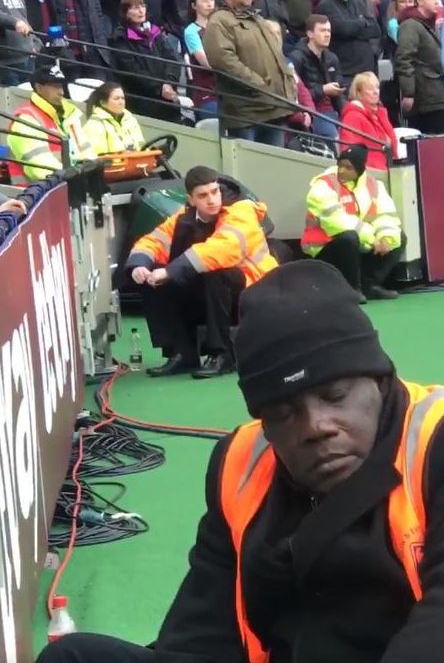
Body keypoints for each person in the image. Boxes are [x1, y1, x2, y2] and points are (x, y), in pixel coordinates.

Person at [37, 257, 444, 663]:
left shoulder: (433, 439)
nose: (316, 426)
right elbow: (203, 630)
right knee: (73, 657)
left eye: (335, 396)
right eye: (284, 413)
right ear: (263, 421)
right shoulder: (240, 462)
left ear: (380, 379)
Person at [126, 165, 278, 378]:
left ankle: (222, 355)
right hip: (215, 293)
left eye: (215, 192)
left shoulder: (241, 211)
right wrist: (140, 265)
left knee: (213, 274)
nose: (212, 200)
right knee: (154, 278)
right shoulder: (183, 217)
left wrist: (171, 271)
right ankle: (181, 354)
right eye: (203, 195)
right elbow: (154, 241)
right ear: (191, 200)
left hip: (256, 287)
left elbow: (222, 249)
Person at [301, 143, 405, 300]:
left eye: (348, 167)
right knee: (349, 237)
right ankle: (351, 289)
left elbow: (386, 215)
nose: (342, 170)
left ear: (360, 170)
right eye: (340, 165)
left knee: (398, 237)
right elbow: (337, 222)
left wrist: (385, 237)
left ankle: (369, 285)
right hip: (324, 249)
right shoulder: (323, 185)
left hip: (360, 245)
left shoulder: (375, 186)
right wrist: (372, 239)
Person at [203, 0, 295, 146]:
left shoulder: (258, 19)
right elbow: (223, 60)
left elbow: (277, 55)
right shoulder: (219, 20)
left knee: (274, 166)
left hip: (273, 107)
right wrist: (257, 83)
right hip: (245, 111)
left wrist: (288, 84)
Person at [7, 64, 95, 185]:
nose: (61, 92)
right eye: (55, 86)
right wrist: (77, 176)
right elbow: (40, 169)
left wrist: (90, 174)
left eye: (61, 86)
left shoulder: (70, 115)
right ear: (39, 88)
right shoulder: (26, 119)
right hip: (37, 196)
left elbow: (88, 154)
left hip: (70, 187)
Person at [110, 0, 182, 123]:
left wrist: (169, 82)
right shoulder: (120, 39)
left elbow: (173, 58)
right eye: (135, 7)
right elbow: (132, 70)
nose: (141, 10)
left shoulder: (155, 33)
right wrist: (160, 88)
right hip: (142, 101)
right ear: (125, 13)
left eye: (142, 6)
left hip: (167, 98)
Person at [316, 0, 381, 86]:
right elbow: (343, 29)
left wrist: (355, 27)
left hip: (367, 68)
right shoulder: (326, 5)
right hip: (347, 71)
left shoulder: (355, 0)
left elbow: (375, 29)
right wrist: (362, 23)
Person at [44, 0, 110, 79]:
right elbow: (49, 18)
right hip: (66, 53)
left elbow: (98, 13)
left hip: (93, 51)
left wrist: (101, 41)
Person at [395, 0, 444, 133]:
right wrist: (409, 93)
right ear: (419, 1)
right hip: (426, 96)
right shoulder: (410, 25)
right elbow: (404, 59)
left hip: (437, 94)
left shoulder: (430, 24)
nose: (437, 2)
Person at [290, 13, 346, 141]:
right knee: (335, 139)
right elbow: (295, 93)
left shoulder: (332, 58)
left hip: (333, 112)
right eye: (322, 30)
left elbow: (340, 94)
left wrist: (347, 113)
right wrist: (323, 90)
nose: (327, 34)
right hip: (314, 113)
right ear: (310, 34)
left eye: (329, 30)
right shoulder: (297, 58)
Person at [339, 71, 398, 170]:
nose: (376, 92)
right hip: (370, 175)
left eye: (377, 87)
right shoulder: (352, 116)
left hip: (388, 171)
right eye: (370, 89)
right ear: (359, 93)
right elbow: (348, 151)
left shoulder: (380, 114)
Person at [183, 0, 217, 119]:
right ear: (194, 5)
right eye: (204, 1)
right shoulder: (191, 31)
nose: (209, 4)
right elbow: (206, 63)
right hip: (207, 91)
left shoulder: (221, 27)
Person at [83, 82, 144, 155]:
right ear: (103, 103)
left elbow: (141, 146)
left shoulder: (130, 119)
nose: (121, 102)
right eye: (116, 99)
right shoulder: (93, 125)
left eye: (123, 98)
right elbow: (99, 157)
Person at [0, 0, 37, 86]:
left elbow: (25, 21)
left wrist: (36, 42)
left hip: (27, 60)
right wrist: (14, 22)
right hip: (7, 65)